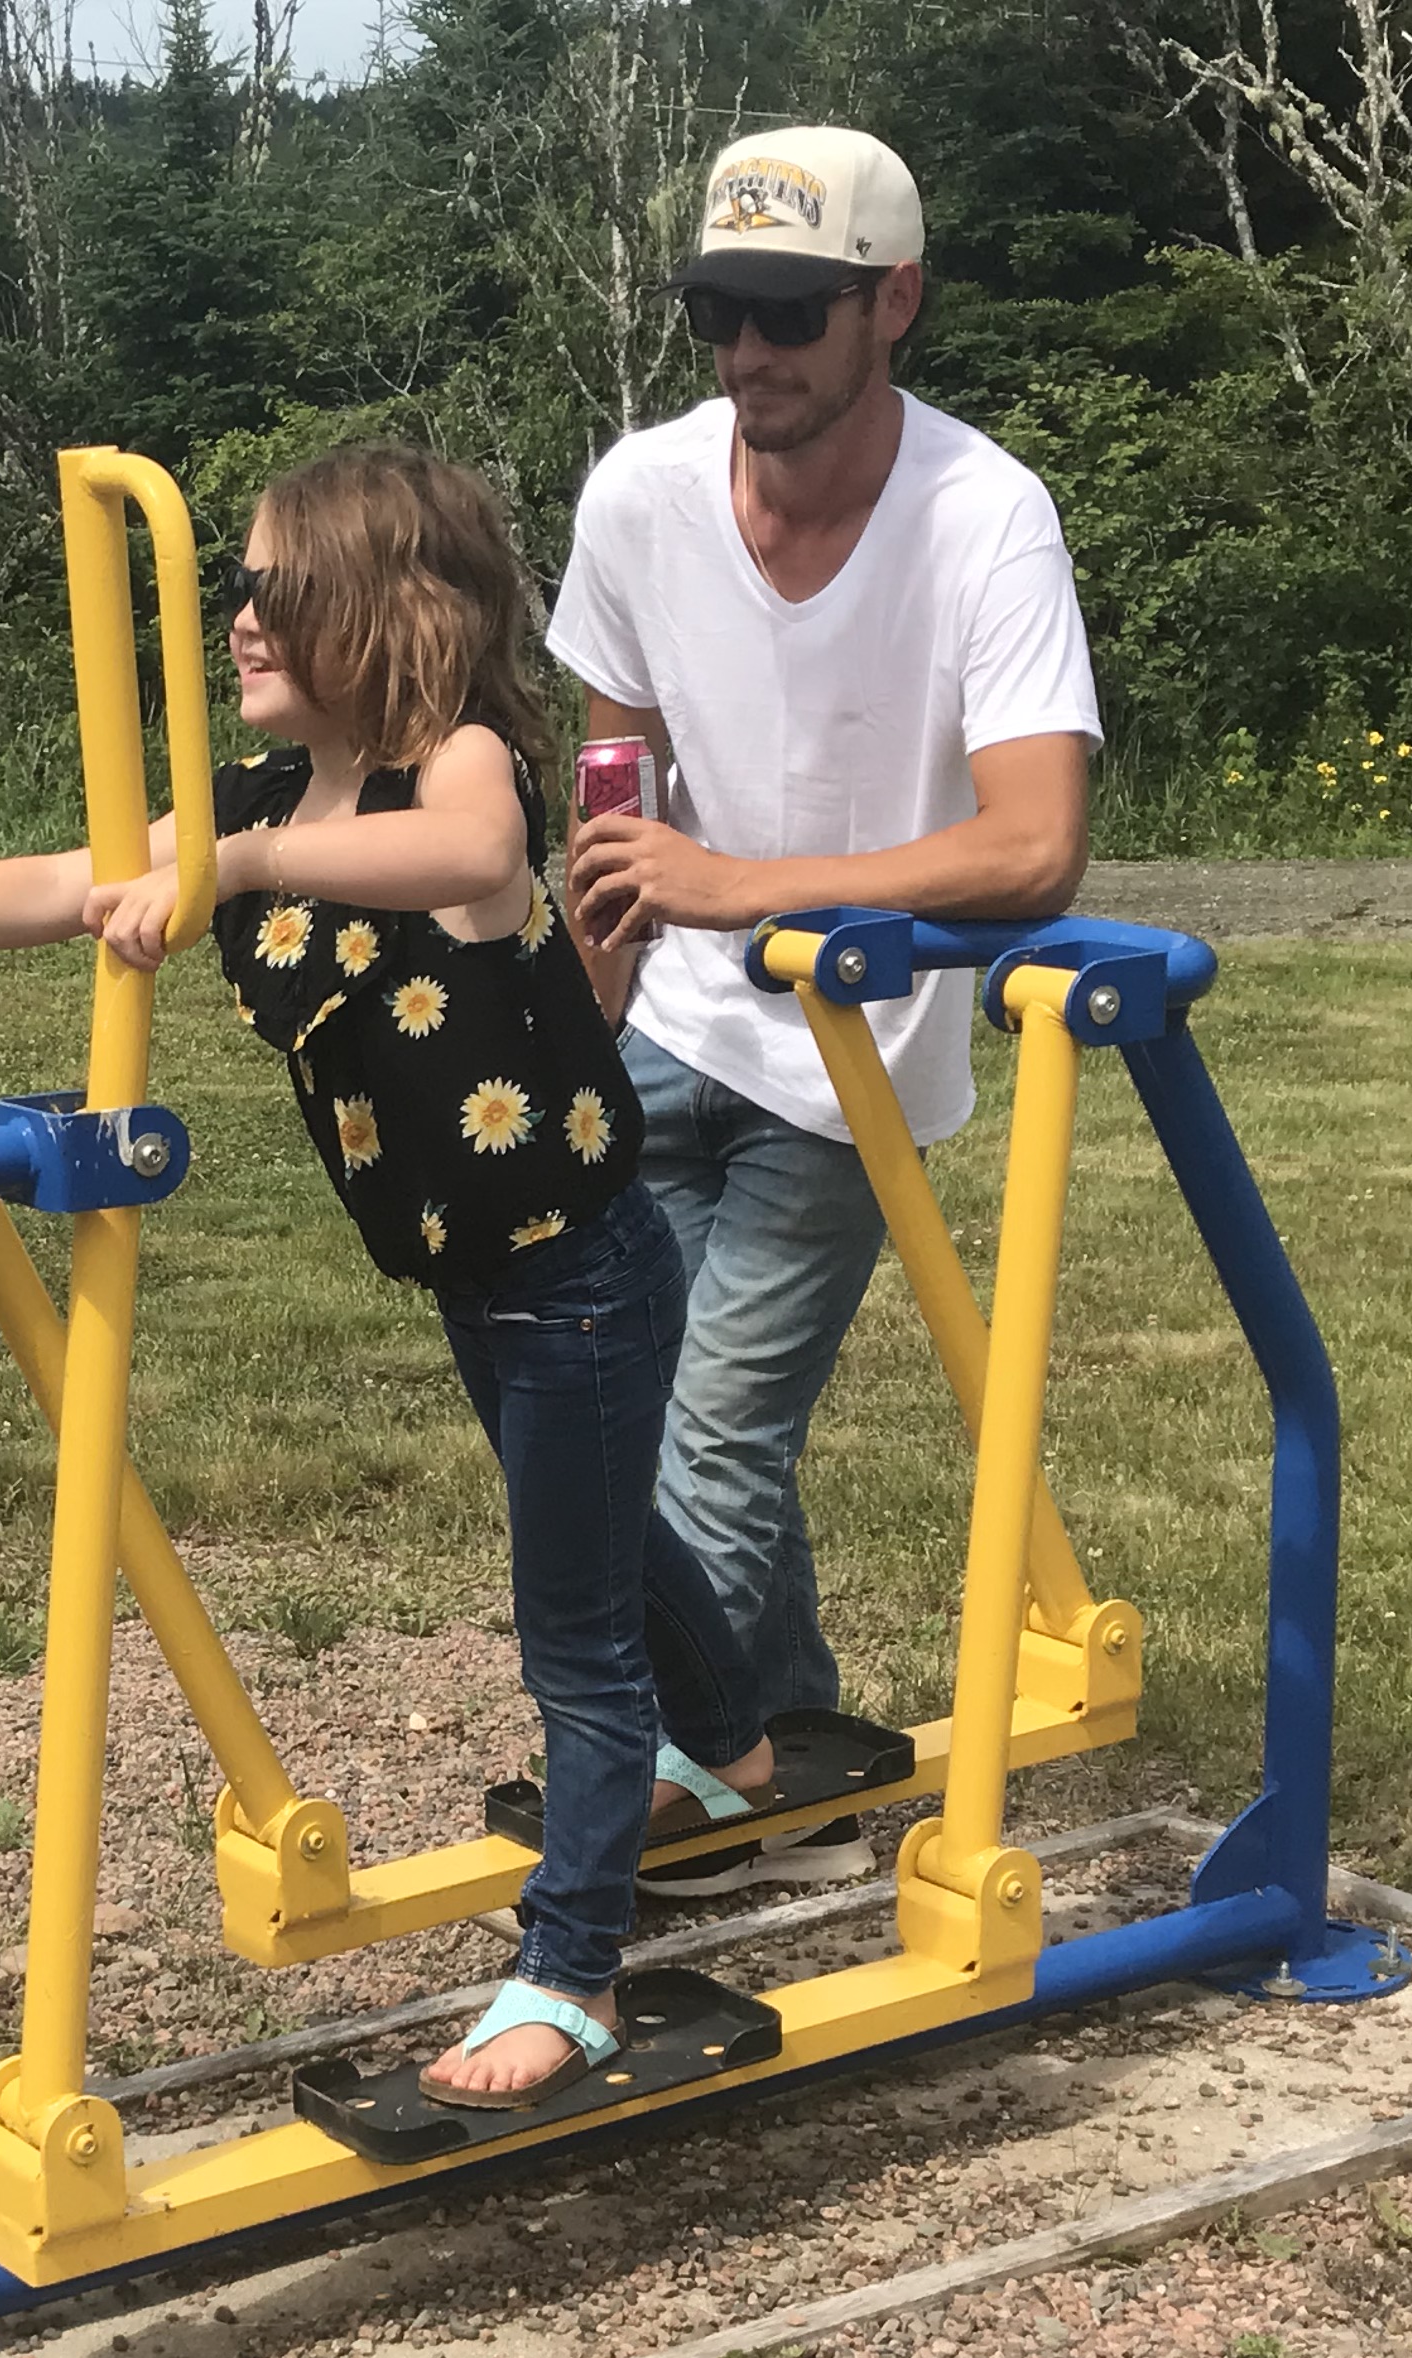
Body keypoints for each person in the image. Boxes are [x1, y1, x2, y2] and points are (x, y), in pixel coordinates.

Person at [0, 441, 790, 2107]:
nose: (235, 619)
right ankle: (731, 1740)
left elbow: (460, 865)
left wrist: (232, 871)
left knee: (573, 1634)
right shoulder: (240, 805)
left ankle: (573, 1964)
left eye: (270, 586)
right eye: (229, 583)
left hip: (579, 1261)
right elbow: (61, 883)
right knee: (595, 1535)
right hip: (478, 1271)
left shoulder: (457, 770)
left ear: (387, 610)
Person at [549, 127, 1102, 1891]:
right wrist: (586, 1009)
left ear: (894, 302)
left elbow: (1034, 844)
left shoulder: (983, 514)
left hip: (849, 1059)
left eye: (789, 312)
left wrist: (740, 887)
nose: (746, 354)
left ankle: (662, 1775)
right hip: (664, 1033)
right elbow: (613, 782)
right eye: (717, 310)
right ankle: (774, 1751)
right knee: (623, 1400)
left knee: (706, 1436)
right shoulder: (637, 494)